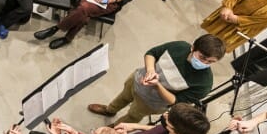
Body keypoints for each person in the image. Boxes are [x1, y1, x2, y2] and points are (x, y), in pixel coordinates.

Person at [89, 34, 226, 124]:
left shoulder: (204, 83)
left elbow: (177, 102)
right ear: (193, 48)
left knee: (132, 116)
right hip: (137, 79)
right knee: (123, 97)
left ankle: (114, 128)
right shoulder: (179, 47)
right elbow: (152, 53)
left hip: (150, 102)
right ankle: (110, 110)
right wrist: (150, 71)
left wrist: (157, 85)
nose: (204, 63)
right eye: (202, 58)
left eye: (210, 62)